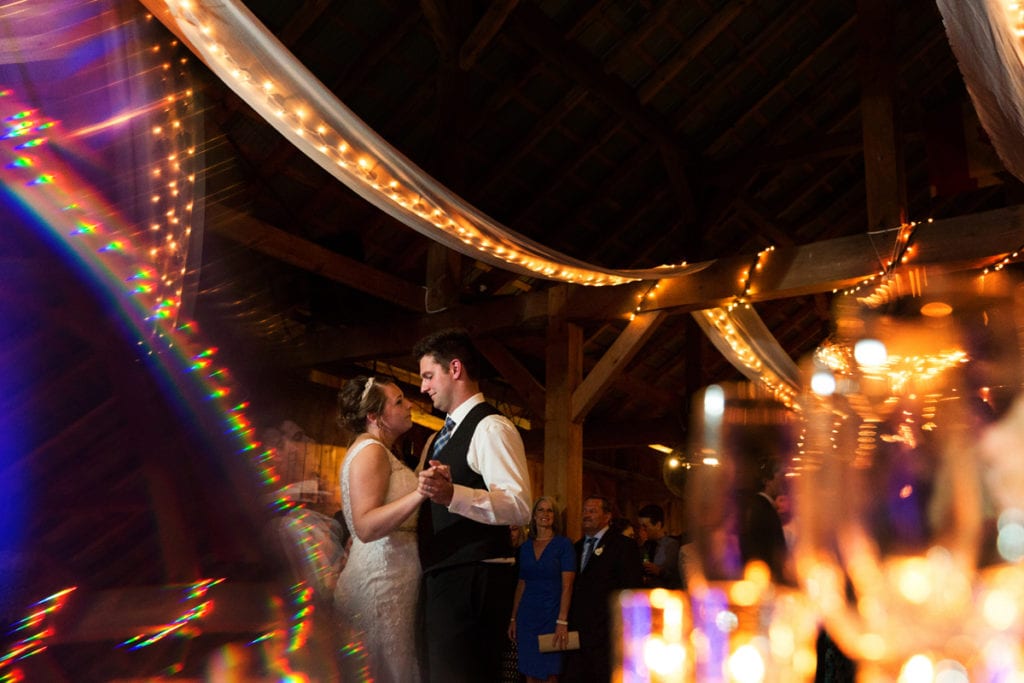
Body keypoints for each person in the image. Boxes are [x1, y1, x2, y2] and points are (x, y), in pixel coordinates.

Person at [414, 328, 533, 683]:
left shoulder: (491, 427)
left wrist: (454, 495)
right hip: (448, 575)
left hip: (474, 578)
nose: (423, 387)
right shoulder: (442, 435)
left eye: (427, 376)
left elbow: (519, 505)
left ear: (455, 368)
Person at [333, 375, 428, 683]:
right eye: (398, 401)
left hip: (394, 578)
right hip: (380, 582)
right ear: (374, 417)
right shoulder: (371, 451)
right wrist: (420, 492)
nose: (409, 404)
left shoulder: (381, 451)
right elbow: (365, 525)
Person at [563, 495, 644, 683]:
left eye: (592, 511)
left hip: (607, 632)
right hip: (579, 632)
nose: (586, 515)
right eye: (584, 511)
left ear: (607, 516)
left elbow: (631, 589)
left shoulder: (623, 546)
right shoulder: (575, 548)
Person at [509, 496, 576, 683]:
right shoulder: (525, 548)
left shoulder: (564, 545)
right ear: (534, 515)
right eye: (541, 510)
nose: (545, 514)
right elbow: (521, 584)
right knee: (529, 672)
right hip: (527, 617)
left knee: (550, 673)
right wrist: (513, 618)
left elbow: (567, 585)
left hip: (551, 615)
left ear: (555, 516)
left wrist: (562, 620)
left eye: (550, 510)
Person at [637, 504, 681, 589]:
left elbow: (678, 577)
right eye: (640, 526)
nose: (641, 530)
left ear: (658, 525)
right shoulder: (644, 545)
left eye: (645, 526)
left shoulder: (672, 545)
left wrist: (659, 571)